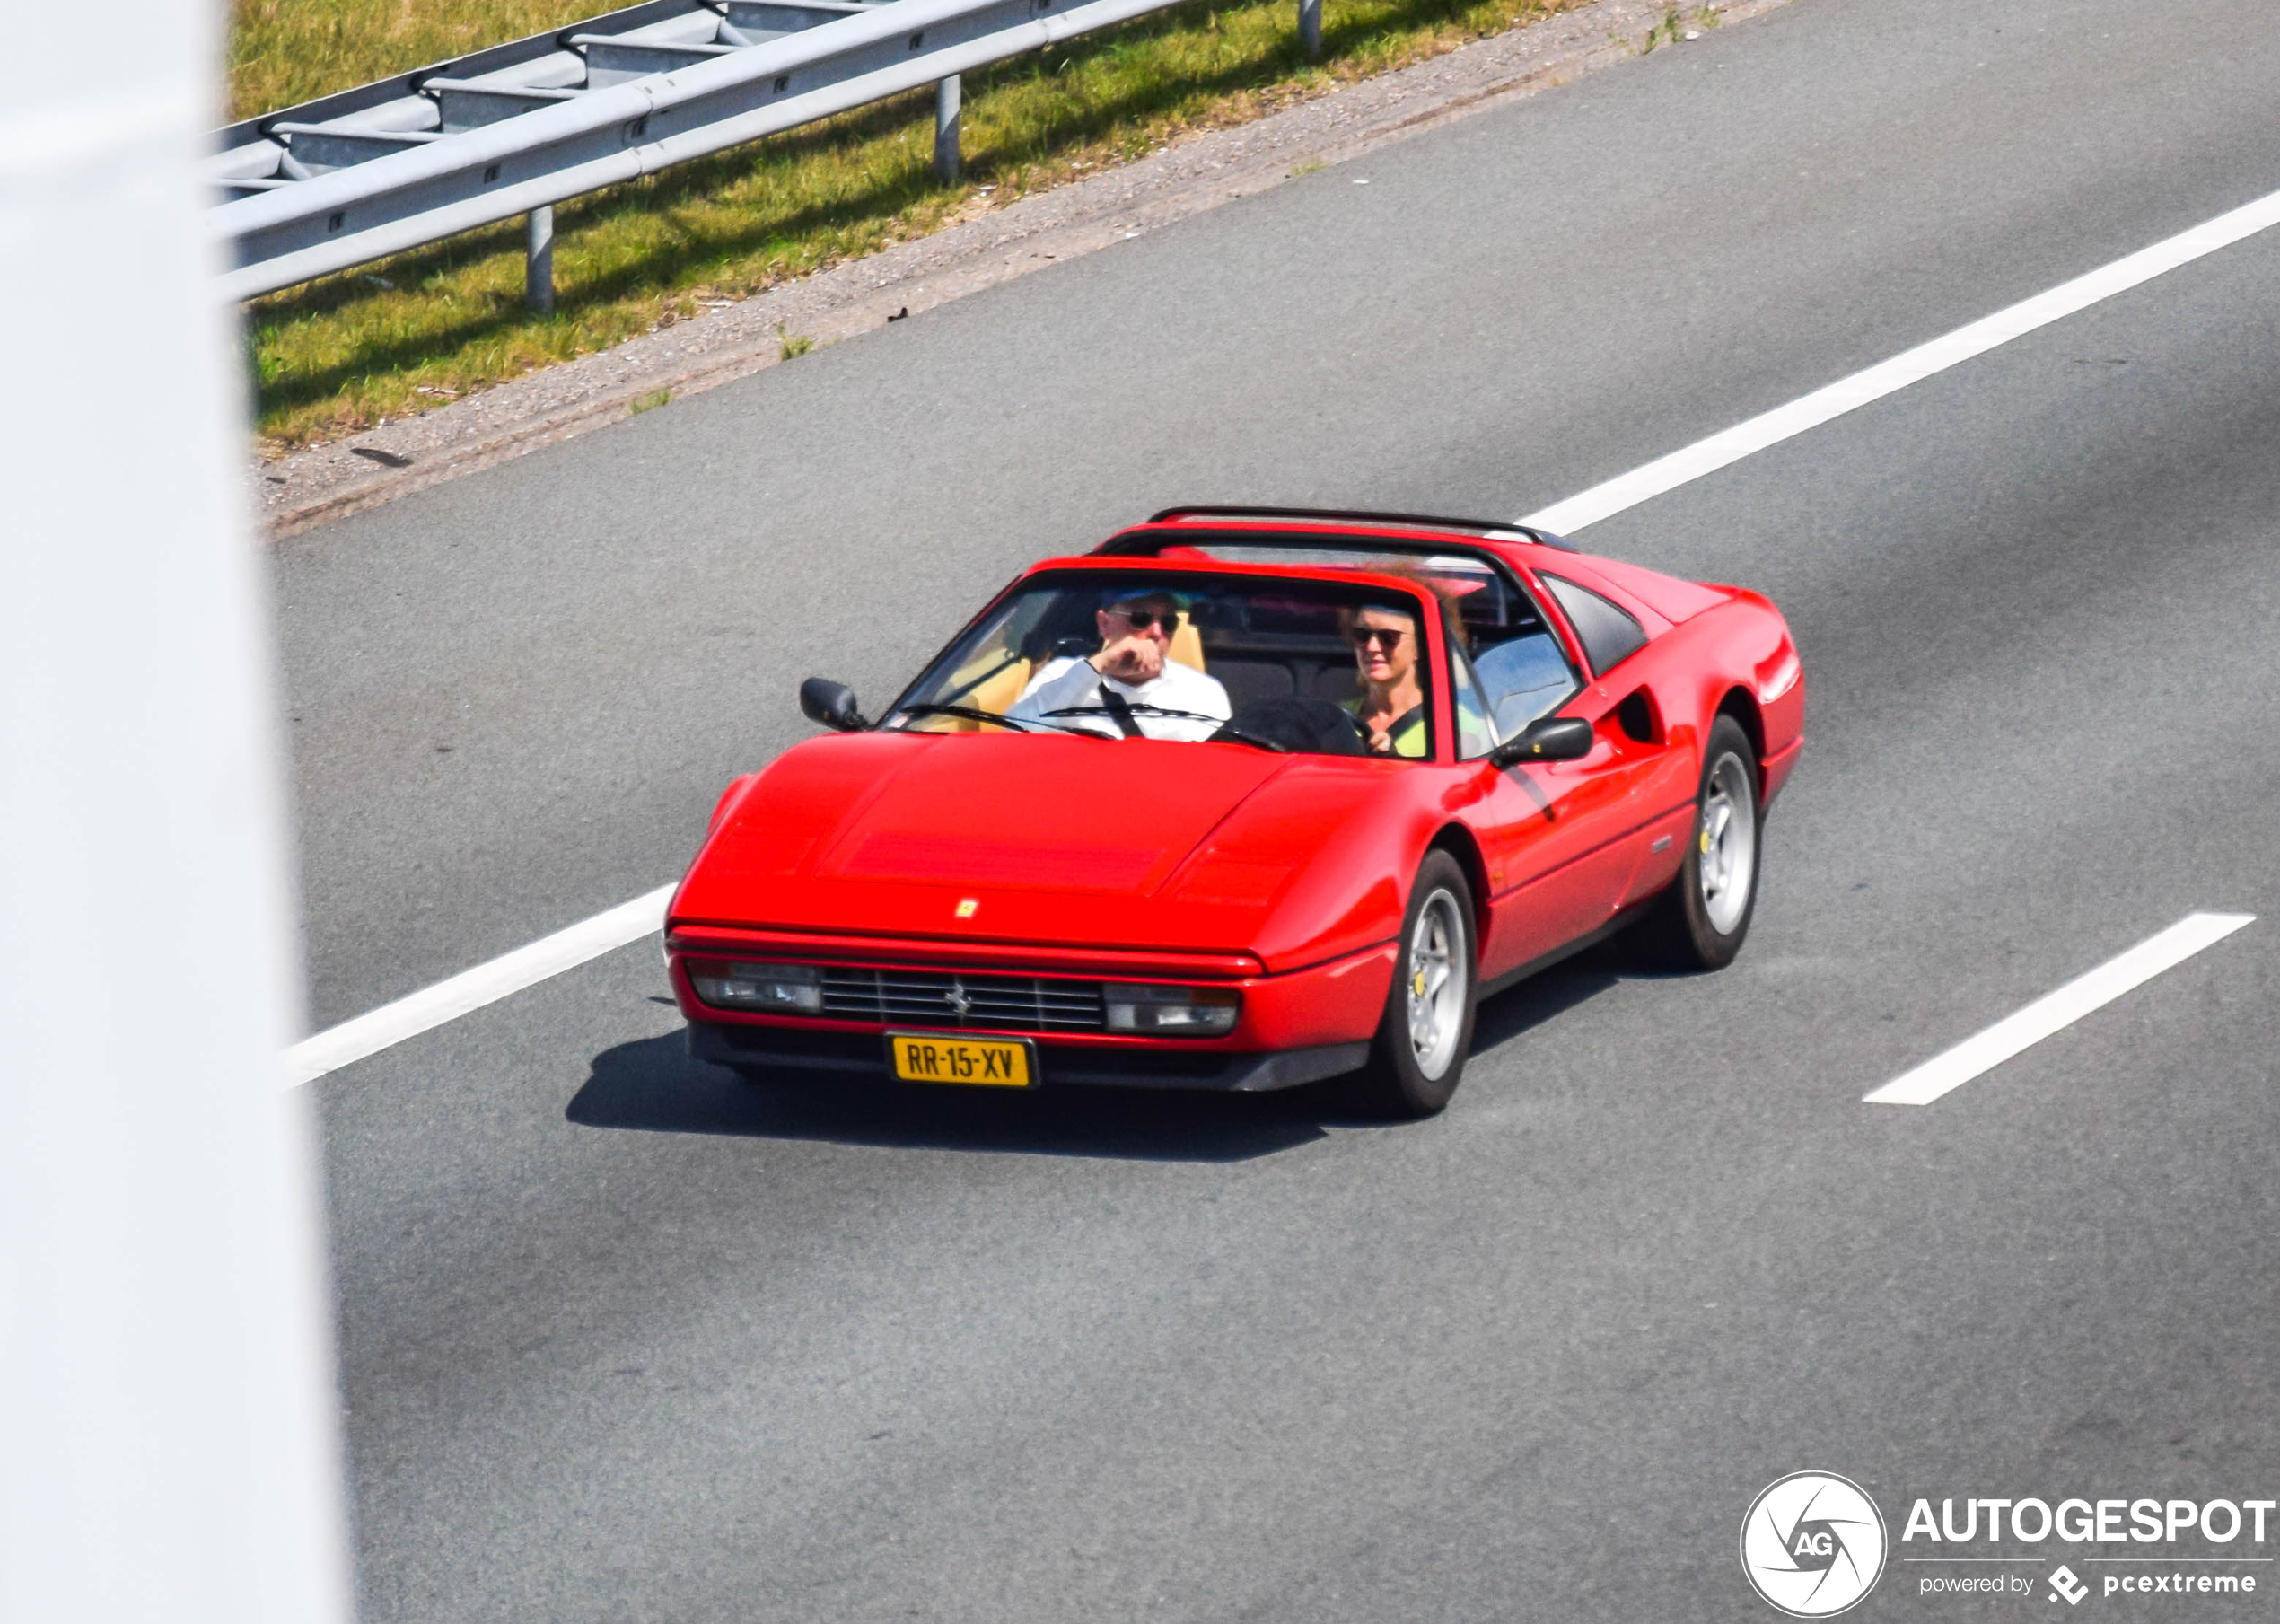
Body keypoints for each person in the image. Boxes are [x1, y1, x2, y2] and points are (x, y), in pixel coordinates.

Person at [1007, 587, 1232, 741]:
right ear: (1105, 624)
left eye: (1168, 622)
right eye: (1140, 618)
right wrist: (1098, 667)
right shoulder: (1063, 674)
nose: (1156, 632)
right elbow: (1013, 737)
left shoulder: (1202, 691)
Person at [1339, 601, 1428, 757]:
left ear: (1419, 647)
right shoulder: (1336, 718)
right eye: (1362, 635)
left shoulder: (1454, 725)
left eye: (1389, 637)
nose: (1372, 647)